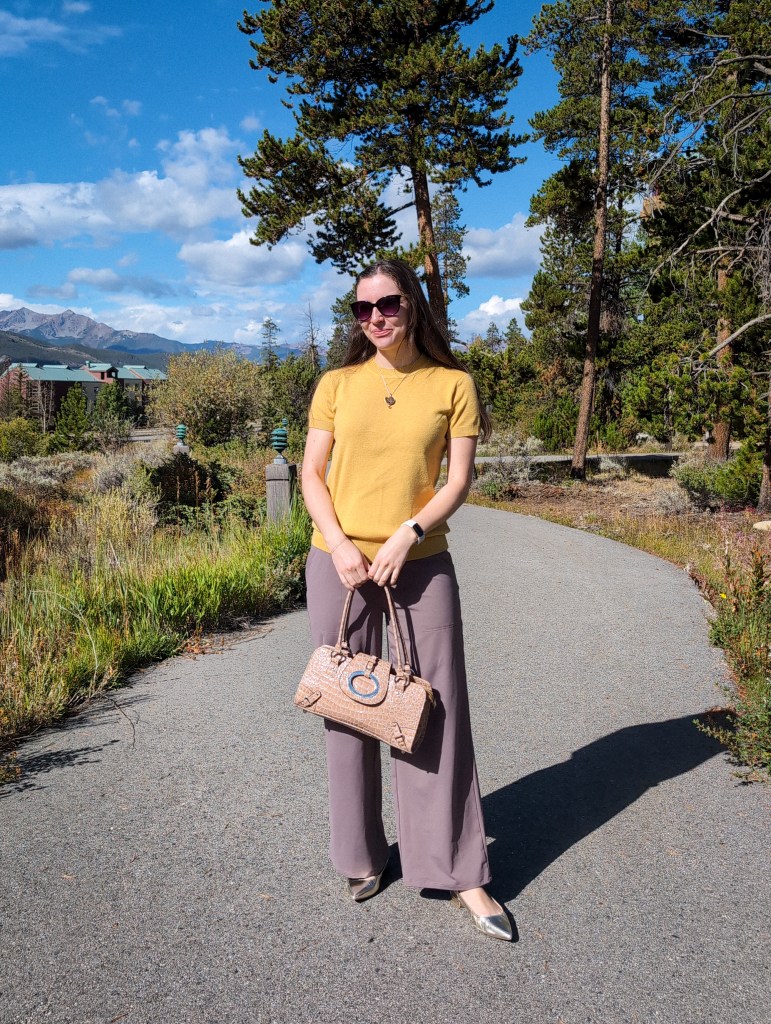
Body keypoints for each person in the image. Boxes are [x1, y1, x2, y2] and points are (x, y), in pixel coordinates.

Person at [300, 258, 511, 942]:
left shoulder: (452, 384)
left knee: (435, 710)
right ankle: (360, 855)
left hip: (418, 562)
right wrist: (339, 544)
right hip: (339, 563)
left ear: (412, 305)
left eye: (387, 304)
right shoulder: (336, 384)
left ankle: (456, 867)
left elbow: (456, 481)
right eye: (362, 310)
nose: (375, 319)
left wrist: (406, 534)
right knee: (349, 703)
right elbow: (310, 472)